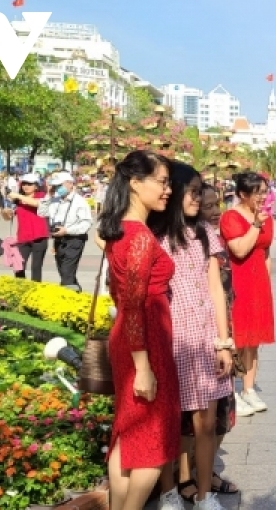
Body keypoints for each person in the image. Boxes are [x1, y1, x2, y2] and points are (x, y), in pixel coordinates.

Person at [97, 150, 181, 510]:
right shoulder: (141, 238)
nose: (167, 191)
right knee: (153, 440)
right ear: (135, 183)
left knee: (127, 432)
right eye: (162, 182)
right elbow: (133, 305)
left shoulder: (120, 232)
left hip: (133, 340)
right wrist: (144, 368)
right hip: (143, 343)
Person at [148, 163, 234, 510]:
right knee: (170, 421)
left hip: (204, 337)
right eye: (193, 191)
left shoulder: (204, 234)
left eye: (202, 192)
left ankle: (203, 495)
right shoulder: (154, 236)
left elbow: (216, 289)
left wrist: (224, 341)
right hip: (171, 339)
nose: (199, 198)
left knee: (207, 423)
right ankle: (169, 492)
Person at [221, 172, 275, 416]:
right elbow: (240, 250)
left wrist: (266, 282)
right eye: (258, 192)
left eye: (265, 191)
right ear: (243, 194)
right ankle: (231, 391)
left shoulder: (266, 217)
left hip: (258, 283)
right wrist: (256, 225)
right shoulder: (230, 218)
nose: (263, 197)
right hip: (238, 281)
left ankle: (249, 389)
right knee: (239, 337)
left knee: (254, 339)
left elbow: (266, 252)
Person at [37, 172, 93, 291]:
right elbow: (41, 213)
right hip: (58, 239)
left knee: (67, 273)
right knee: (64, 272)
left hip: (74, 240)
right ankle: (78, 294)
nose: (57, 188)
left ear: (70, 184)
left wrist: (67, 230)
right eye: (55, 186)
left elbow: (87, 223)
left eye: (59, 185)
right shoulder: (55, 200)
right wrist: (48, 195)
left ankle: (67, 301)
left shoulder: (79, 202)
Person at [7, 174, 51, 282]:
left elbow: (37, 204)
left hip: (39, 237)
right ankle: (21, 288)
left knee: (36, 267)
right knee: (18, 266)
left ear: (36, 186)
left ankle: (35, 291)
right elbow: (8, 216)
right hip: (23, 237)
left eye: (30, 184)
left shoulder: (42, 196)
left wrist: (19, 196)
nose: (26, 186)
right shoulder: (18, 201)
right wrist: (6, 212)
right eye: (24, 184)